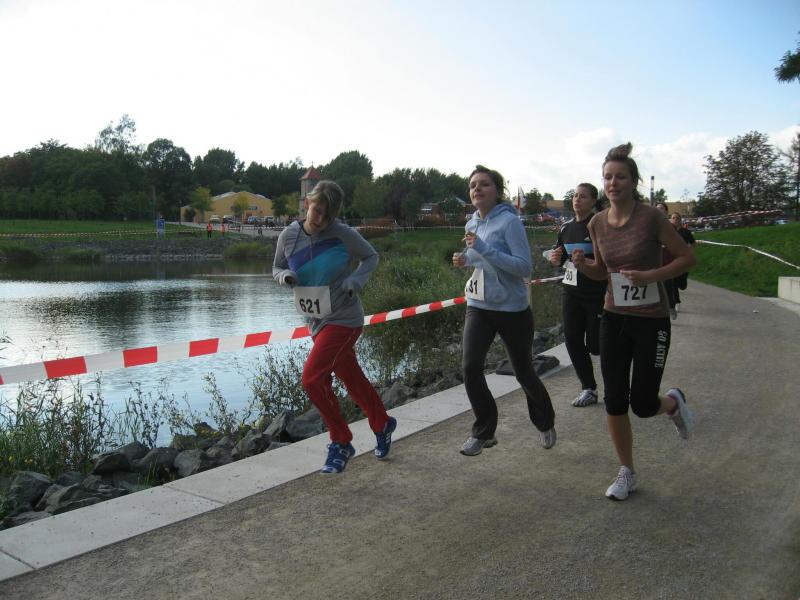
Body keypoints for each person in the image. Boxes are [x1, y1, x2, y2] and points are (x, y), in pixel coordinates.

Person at [571, 143, 696, 501]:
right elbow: (602, 272)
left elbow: (687, 258)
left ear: (633, 181)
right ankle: (627, 471)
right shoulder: (596, 223)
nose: (613, 183)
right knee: (614, 399)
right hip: (613, 317)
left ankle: (672, 403)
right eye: (607, 177)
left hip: (651, 321)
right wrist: (583, 265)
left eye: (620, 177)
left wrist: (650, 275)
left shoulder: (651, 218)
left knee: (642, 403)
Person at [272, 180, 396, 474]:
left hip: (344, 318)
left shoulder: (342, 233)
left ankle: (341, 441)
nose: (321, 219)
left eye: (328, 215)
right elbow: (276, 266)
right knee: (351, 378)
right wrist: (284, 276)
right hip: (316, 322)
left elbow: (371, 256)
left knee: (312, 379)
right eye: (317, 210)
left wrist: (356, 280)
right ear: (307, 204)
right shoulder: (289, 235)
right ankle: (382, 423)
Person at [452, 165, 556, 455]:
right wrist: (464, 260)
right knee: (470, 367)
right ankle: (484, 432)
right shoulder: (471, 224)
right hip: (478, 305)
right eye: (473, 185)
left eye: (484, 184)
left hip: (512, 309)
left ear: (497, 191)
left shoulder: (510, 222)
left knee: (524, 372)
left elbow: (523, 267)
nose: (477, 189)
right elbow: (477, 258)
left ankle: (545, 422)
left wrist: (484, 249)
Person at [548, 183, 607, 407]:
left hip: (597, 293)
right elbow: (560, 257)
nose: (577, 199)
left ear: (593, 201)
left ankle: (616, 381)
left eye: (583, 196)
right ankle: (589, 388)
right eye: (575, 195)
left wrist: (587, 263)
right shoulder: (566, 228)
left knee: (595, 345)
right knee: (572, 340)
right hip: (571, 292)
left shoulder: (599, 225)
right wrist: (555, 258)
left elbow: (608, 260)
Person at [670, 212, 695, 312]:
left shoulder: (685, 232)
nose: (675, 220)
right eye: (673, 218)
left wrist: (689, 252)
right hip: (672, 259)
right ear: (671, 220)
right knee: (673, 281)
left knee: (682, 286)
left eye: (677, 218)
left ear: (680, 220)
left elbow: (693, 244)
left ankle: (683, 282)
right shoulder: (669, 231)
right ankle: (677, 302)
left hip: (683, 259)